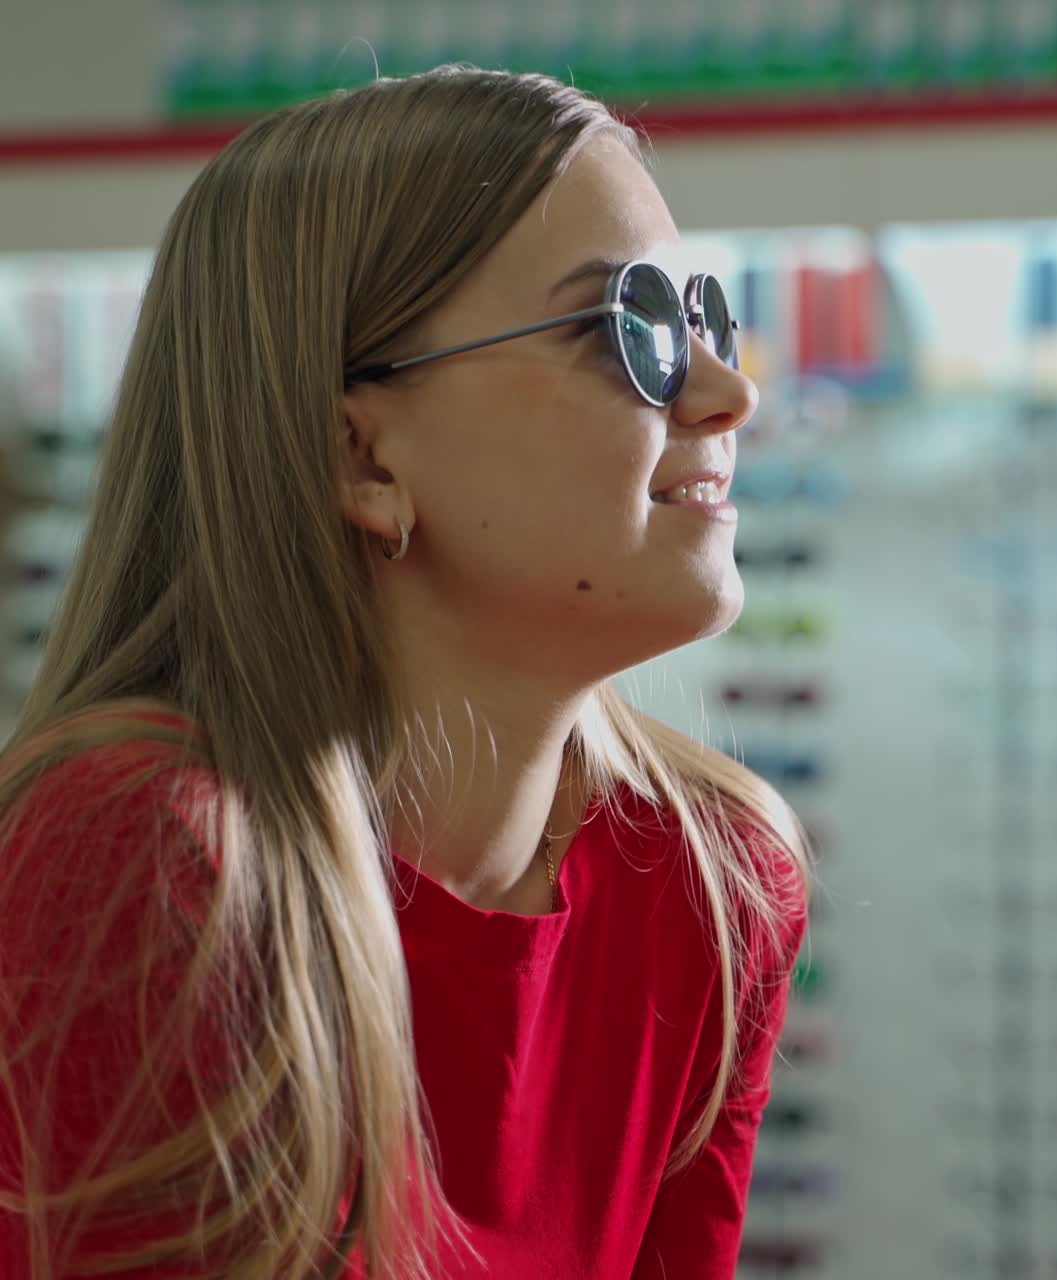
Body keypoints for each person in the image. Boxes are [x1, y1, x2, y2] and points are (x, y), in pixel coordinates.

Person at [0, 66, 811, 1279]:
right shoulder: (152, 862)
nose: (725, 392)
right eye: (627, 329)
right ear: (359, 451)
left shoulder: (713, 881)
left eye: (704, 316)